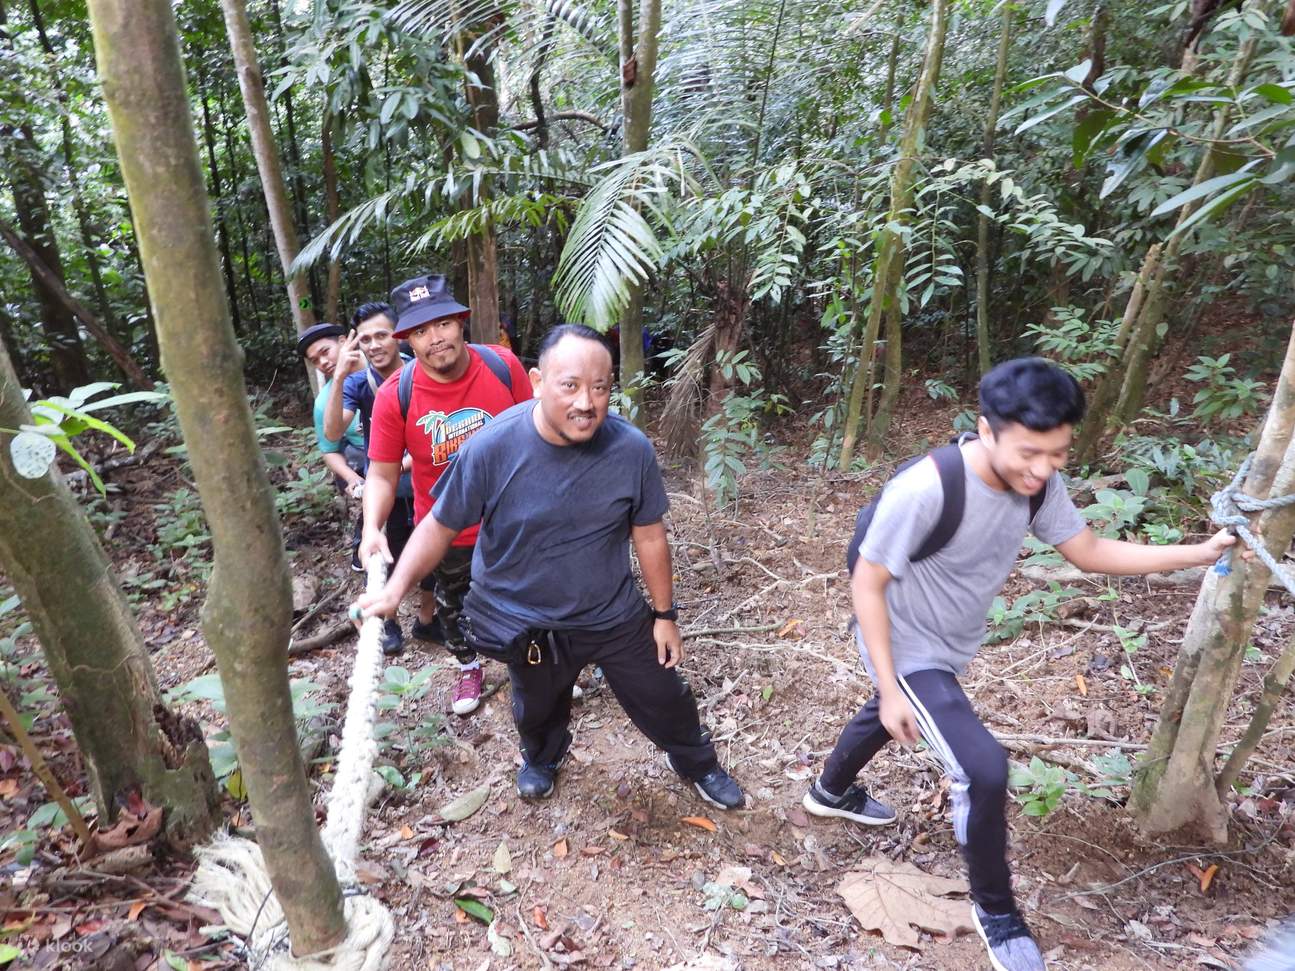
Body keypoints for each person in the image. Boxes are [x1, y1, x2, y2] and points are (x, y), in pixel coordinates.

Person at [805, 357, 1238, 971]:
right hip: (905, 646)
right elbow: (866, 583)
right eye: (1030, 453)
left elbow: (1088, 552)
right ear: (987, 430)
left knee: (902, 714)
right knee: (982, 768)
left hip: (948, 644)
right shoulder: (926, 489)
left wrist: (1198, 552)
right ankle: (998, 914)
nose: (1042, 469)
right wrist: (890, 678)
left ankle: (830, 790)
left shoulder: (1038, 484)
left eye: (1057, 454)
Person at [353, 324, 744, 810]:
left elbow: (648, 534)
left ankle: (695, 760)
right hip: (528, 619)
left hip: (610, 613)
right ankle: (541, 758)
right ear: (537, 382)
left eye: (600, 388)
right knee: (536, 708)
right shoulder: (491, 448)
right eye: (571, 385)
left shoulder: (630, 450)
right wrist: (394, 590)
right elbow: (439, 525)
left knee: (664, 695)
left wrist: (665, 616)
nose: (587, 402)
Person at [360, 275, 532, 715]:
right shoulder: (395, 394)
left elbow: (537, 431)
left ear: (460, 322)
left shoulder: (502, 365)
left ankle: (535, 665)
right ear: (408, 340)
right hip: (444, 527)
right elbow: (380, 475)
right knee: (455, 603)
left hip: (514, 518)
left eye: (441, 324)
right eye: (420, 331)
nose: (434, 338)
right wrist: (371, 528)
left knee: (529, 595)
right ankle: (469, 665)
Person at [322, 302, 417, 656]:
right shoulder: (358, 382)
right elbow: (333, 430)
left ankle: (428, 619)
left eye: (382, 335)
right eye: (366, 339)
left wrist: (407, 463)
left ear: (399, 336)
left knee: (430, 557)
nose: (374, 345)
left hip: (423, 482)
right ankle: (386, 622)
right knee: (379, 552)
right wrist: (340, 377)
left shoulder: (420, 371)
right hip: (385, 486)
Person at [298, 322, 366, 570]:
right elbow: (329, 449)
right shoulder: (324, 402)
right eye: (315, 360)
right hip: (366, 457)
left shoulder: (386, 365)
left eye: (325, 352)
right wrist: (352, 479)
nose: (322, 363)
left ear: (342, 341)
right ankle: (363, 545)